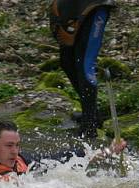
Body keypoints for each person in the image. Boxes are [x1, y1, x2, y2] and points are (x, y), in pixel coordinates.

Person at [0, 120, 126, 182]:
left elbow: (68, 159)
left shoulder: (22, 162)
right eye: (9, 146)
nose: (15, 151)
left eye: (17, 145)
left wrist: (109, 152)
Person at [49, 0, 117, 138]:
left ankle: (90, 126)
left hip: (94, 7)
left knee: (85, 64)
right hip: (71, 7)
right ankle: (91, 114)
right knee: (67, 62)